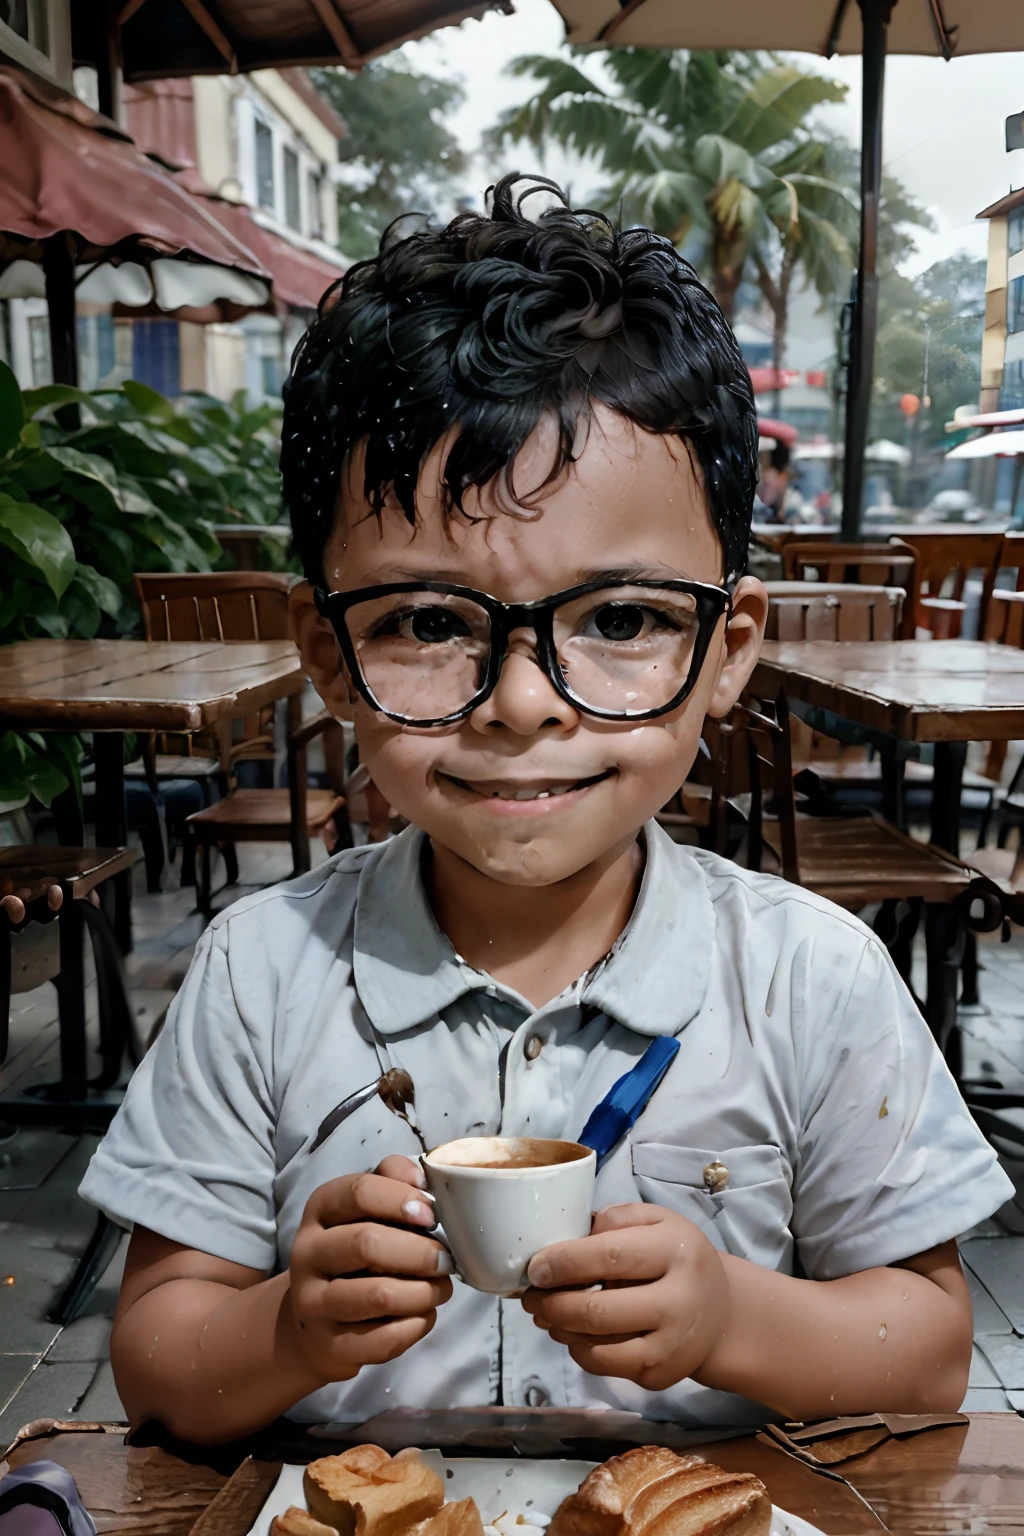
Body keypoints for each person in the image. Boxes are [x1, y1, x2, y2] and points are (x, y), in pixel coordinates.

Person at [81, 176, 1011, 1446]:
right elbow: (158, 1362)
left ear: (729, 644)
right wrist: (288, 1330)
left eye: (621, 619)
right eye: (422, 622)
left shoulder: (810, 977)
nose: (520, 703)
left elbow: (929, 1353)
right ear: (324, 651)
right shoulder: (261, 972)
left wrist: (732, 1319)